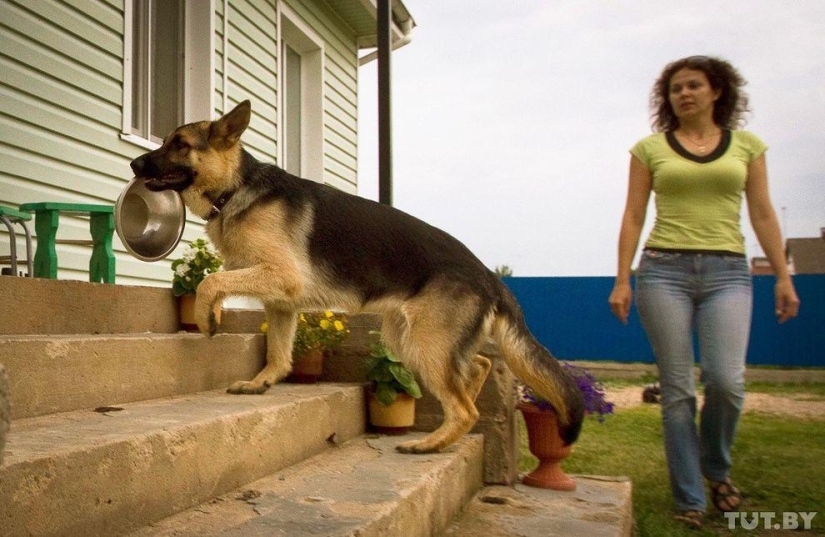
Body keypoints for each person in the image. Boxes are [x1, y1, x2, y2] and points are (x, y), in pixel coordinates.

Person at [608, 55, 800, 529]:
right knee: (676, 391)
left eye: (694, 85)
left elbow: (762, 214)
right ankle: (691, 497)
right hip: (662, 271)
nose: (684, 94)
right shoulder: (650, 149)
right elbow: (633, 215)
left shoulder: (747, 147)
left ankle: (716, 468)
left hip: (729, 273)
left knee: (726, 382)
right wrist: (622, 278)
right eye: (676, 88)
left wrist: (782, 274)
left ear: (717, 91)